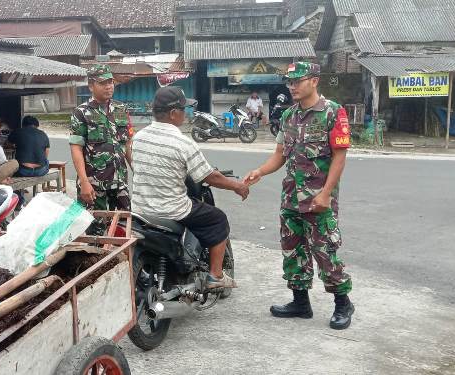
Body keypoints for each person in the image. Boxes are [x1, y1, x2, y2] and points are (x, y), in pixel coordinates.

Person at [245, 62, 355, 330]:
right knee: (293, 250)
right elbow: (280, 155)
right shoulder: (288, 116)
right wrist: (260, 171)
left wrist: (326, 194)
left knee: (325, 250)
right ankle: (300, 303)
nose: (292, 86)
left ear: (314, 81)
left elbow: (340, 157)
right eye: (289, 82)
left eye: (297, 80)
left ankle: (343, 304)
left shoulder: (333, 113)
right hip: (291, 198)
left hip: (319, 199)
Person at [131, 86, 247, 290]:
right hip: (171, 210)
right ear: (174, 113)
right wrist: (237, 186)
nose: (186, 114)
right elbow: (210, 176)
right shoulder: (182, 143)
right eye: (184, 110)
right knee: (218, 219)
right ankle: (216, 276)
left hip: (140, 210)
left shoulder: (138, 138)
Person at [69, 64, 133, 211]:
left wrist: (135, 169)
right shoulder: (81, 113)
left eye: (110, 82)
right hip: (94, 185)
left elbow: (127, 143)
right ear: (91, 86)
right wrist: (84, 182)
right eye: (103, 83)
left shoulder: (120, 109)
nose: (108, 86)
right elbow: (76, 149)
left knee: (124, 227)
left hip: (120, 182)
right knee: (96, 231)